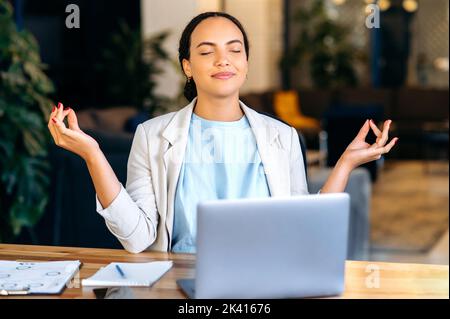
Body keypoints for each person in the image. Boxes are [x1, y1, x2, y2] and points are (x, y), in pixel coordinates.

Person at [47, 12, 397, 254]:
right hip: (179, 281)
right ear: (187, 66)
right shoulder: (151, 135)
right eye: (206, 51)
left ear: (245, 63)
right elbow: (137, 239)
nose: (223, 60)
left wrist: (346, 164)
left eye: (234, 49)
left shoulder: (283, 136)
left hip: (265, 280)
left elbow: (301, 231)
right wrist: (94, 154)